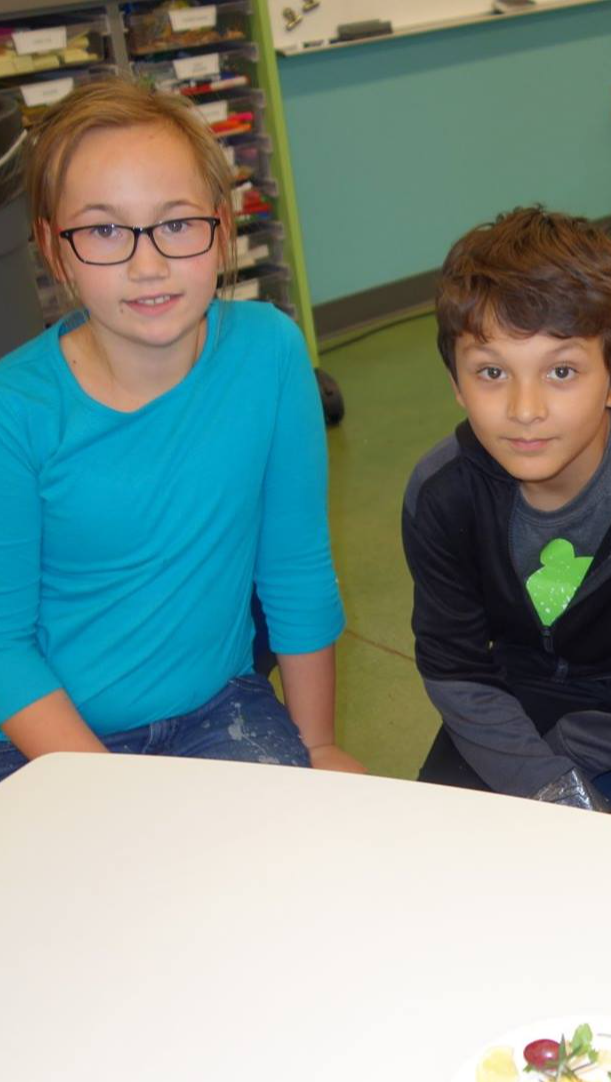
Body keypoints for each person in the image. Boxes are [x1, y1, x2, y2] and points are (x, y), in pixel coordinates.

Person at [0, 80, 358, 781]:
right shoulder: (16, 409)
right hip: (41, 736)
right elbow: (3, 645)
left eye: (176, 223)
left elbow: (295, 568)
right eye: (104, 229)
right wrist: (111, 791)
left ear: (222, 227)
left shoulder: (270, 353)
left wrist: (316, 744)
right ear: (53, 247)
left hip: (218, 710)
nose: (148, 263)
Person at [403, 207, 611, 813]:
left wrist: (577, 745)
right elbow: (456, 671)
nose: (524, 408)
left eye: (561, 371)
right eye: (492, 372)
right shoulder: (442, 494)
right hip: (515, 693)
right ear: (455, 380)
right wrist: (547, 781)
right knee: (438, 857)